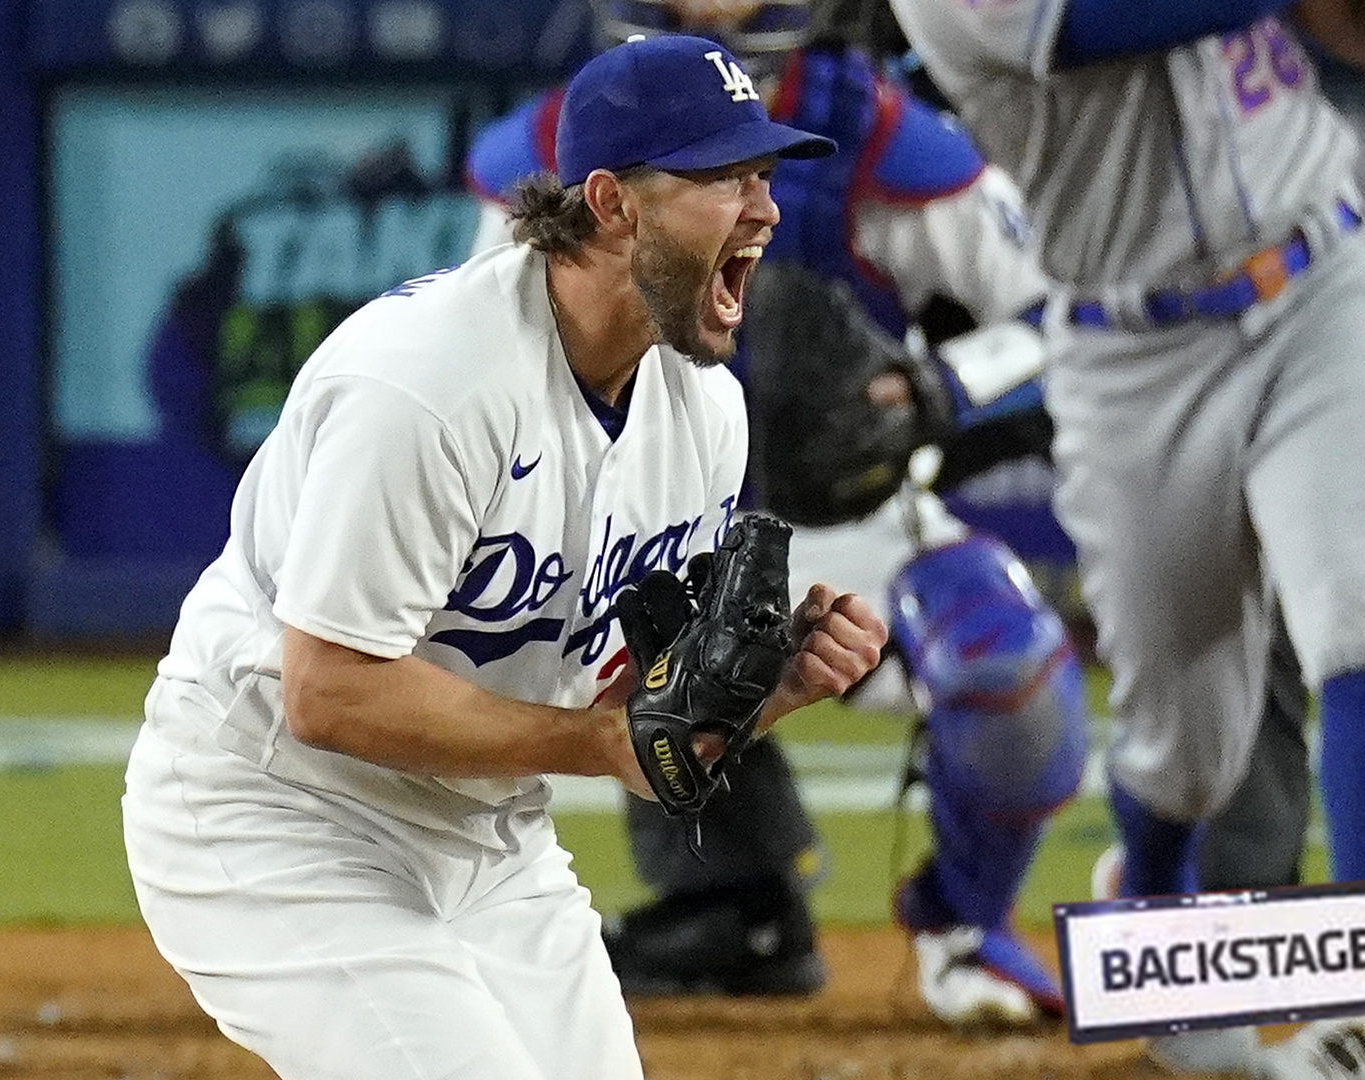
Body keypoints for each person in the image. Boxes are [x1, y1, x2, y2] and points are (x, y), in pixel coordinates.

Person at [466, 0, 1316, 1032]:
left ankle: (963, 924)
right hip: (626, 522)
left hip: (835, 521)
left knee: (1010, 675)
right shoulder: (550, 150)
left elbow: (1061, 309)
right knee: (516, 661)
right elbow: (491, 353)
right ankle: (687, 905)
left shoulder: (873, 135)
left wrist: (936, 395)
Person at [119, 33, 887, 1080]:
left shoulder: (705, 410)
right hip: (277, 816)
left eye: (763, 175)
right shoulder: (431, 384)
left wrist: (767, 692)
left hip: (487, 833)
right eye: (723, 177)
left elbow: (646, 716)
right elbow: (328, 693)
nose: (766, 208)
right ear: (612, 202)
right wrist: (596, 745)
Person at [887, 0, 1365, 1077]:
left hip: (1324, 286)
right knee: (1181, 749)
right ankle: (1153, 914)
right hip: (1129, 355)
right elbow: (1115, 17)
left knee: (1363, 624)